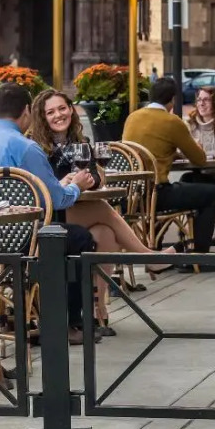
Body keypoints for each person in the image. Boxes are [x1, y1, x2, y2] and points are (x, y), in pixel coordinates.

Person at [0, 83, 100, 346]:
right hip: (17, 242)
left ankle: (20, 313)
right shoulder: (26, 147)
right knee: (78, 238)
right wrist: (76, 186)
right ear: (26, 111)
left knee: (62, 234)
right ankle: (66, 323)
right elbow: (57, 199)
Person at [27, 88, 169, 328]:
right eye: (50, 112)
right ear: (42, 117)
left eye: (62, 108)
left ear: (71, 109)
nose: (58, 115)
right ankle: (147, 256)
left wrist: (90, 180)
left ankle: (97, 307)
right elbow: (39, 186)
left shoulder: (80, 142)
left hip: (77, 208)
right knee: (103, 208)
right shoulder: (36, 147)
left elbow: (95, 173)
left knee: (105, 233)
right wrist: (63, 183)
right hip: (52, 215)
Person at [123, 78, 215, 261]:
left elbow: (146, 150)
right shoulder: (171, 122)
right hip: (156, 195)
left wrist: (171, 154)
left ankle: (158, 244)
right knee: (213, 193)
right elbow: (199, 160)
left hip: (132, 196)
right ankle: (200, 253)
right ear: (172, 100)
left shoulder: (132, 117)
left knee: (187, 183)